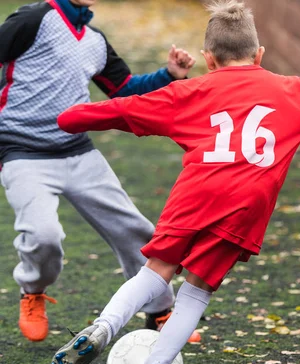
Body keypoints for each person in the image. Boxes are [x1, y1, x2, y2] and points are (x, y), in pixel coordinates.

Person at [51, 0, 300, 364]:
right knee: (195, 292)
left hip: (195, 194)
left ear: (209, 60)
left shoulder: (190, 91)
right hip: (245, 207)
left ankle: (103, 327)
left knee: (156, 271)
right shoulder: (295, 91)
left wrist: (71, 117)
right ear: (259, 54)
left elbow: (122, 110)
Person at [0, 0, 201, 343]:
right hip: (22, 152)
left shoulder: (94, 41)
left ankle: (158, 312)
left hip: (78, 151)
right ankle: (32, 290)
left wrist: (169, 75)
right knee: (43, 235)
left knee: (136, 231)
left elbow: (124, 91)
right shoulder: (33, 19)